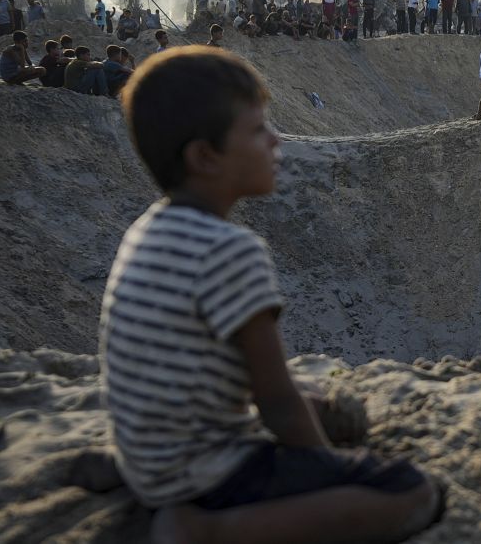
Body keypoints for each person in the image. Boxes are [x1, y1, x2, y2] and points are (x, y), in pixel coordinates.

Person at [105, 46, 442, 543]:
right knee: (411, 491)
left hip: (146, 459)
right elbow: (276, 400)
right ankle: (205, 530)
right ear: (205, 156)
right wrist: (328, 469)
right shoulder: (230, 250)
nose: (276, 139)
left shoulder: (147, 230)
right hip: (202, 474)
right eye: (259, 129)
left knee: (322, 409)